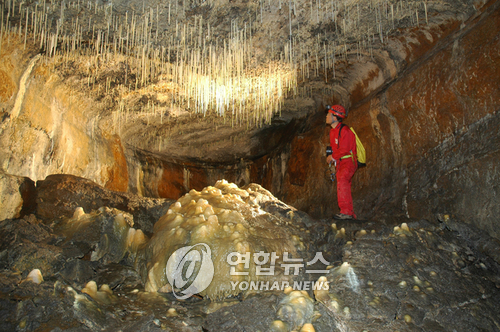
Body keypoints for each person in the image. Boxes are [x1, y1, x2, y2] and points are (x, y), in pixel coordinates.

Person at [325, 105, 358, 220]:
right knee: (342, 184)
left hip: (348, 161)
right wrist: (333, 161)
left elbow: (344, 148)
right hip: (340, 162)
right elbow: (336, 148)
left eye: (329, 114)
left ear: (335, 117)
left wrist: (333, 156)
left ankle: (346, 212)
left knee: (343, 182)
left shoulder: (345, 130)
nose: (327, 116)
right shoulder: (333, 132)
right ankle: (349, 212)